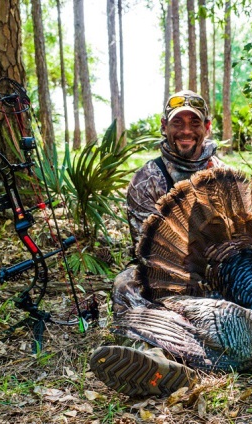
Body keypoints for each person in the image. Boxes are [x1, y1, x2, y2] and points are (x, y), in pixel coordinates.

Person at [90, 90, 225, 397]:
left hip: (218, 271)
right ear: (165, 126)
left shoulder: (225, 174)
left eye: (195, 122)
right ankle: (150, 356)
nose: (187, 130)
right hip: (166, 272)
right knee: (127, 282)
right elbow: (148, 250)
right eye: (178, 122)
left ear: (208, 126)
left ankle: (202, 351)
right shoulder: (148, 178)